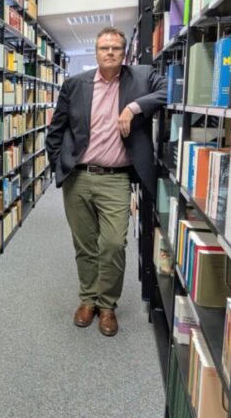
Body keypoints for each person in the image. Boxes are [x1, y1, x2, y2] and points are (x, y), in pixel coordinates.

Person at [45, 27, 166, 337]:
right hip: (78, 177)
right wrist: (60, 166)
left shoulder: (142, 77)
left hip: (116, 178)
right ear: (96, 52)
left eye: (115, 48)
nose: (110, 52)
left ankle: (107, 304)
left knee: (112, 244)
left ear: (124, 53)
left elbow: (171, 91)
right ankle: (88, 299)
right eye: (104, 48)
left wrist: (133, 108)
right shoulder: (75, 84)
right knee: (85, 244)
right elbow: (56, 130)